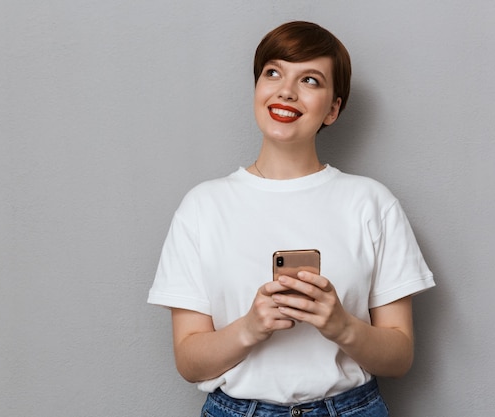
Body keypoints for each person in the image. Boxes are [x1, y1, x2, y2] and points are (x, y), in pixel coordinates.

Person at [148, 21, 435, 417]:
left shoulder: (371, 202)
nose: (286, 90)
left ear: (333, 109)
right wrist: (249, 327)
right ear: (257, 89)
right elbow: (188, 361)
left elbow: (399, 357)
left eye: (311, 80)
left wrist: (341, 326)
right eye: (273, 72)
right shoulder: (202, 206)